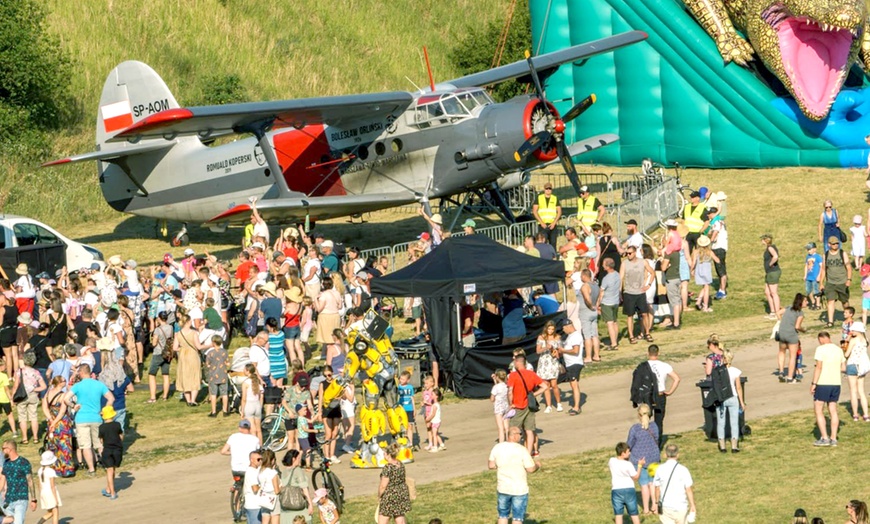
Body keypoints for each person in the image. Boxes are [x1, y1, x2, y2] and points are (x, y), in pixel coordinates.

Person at [64, 364, 113, 476]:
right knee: (99, 444)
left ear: (81, 372)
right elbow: (111, 398)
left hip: (81, 418)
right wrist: (105, 410)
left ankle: (91, 469)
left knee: (85, 445)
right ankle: (107, 465)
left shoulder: (77, 386)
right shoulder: (99, 384)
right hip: (96, 417)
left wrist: (73, 406)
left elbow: (66, 399)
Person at [488, 426, 540, 524]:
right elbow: (530, 469)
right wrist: (537, 465)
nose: (521, 436)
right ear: (515, 436)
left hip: (503, 488)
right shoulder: (522, 450)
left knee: (502, 516)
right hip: (519, 490)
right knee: (517, 518)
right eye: (520, 434)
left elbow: (491, 465)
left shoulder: (498, 447)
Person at [506, 352, 548, 456]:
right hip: (529, 406)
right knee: (529, 430)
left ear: (517, 363)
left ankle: (512, 453)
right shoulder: (532, 374)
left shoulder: (513, 375)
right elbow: (545, 387)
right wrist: (533, 395)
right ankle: (529, 453)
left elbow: (510, 391)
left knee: (513, 429)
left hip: (517, 406)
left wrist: (510, 403)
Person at [812, 332, 846, 446]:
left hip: (823, 383)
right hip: (836, 383)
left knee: (818, 409)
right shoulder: (838, 350)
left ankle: (825, 438)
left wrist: (814, 383)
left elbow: (819, 367)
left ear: (821, 339)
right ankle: (833, 438)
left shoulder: (820, 349)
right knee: (833, 410)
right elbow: (843, 368)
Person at [626, 405, 659, 516]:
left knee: (644, 485)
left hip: (639, 460)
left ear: (638, 415)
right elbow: (657, 439)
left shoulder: (635, 429)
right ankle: (655, 505)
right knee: (653, 483)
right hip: (654, 458)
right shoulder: (654, 426)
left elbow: (629, 444)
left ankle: (646, 509)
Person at [646, 345, 680, 448]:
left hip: (648, 395)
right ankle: (658, 444)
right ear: (658, 353)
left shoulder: (644, 366)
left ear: (647, 353)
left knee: (645, 419)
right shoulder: (664, 365)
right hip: (660, 395)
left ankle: (647, 441)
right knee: (659, 421)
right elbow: (677, 379)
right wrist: (670, 391)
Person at [652, 444, 696, 524]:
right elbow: (688, 489)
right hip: (681, 506)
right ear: (677, 455)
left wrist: (656, 503)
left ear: (665, 455)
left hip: (666, 506)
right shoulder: (683, 470)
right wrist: (692, 505)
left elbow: (657, 488)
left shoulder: (660, 469)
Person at [40, 377, 74, 478]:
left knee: (53, 445)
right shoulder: (63, 395)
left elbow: (44, 407)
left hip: (51, 422)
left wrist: (50, 419)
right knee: (64, 445)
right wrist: (55, 422)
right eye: (64, 381)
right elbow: (62, 411)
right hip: (62, 423)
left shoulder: (48, 393)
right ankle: (66, 469)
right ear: (59, 383)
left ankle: (55, 467)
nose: (65, 382)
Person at [620, 245, 655, 343]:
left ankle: (647, 333)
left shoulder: (643, 262)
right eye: (627, 253)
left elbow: (652, 273)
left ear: (635, 253)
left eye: (630, 253)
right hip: (629, 292)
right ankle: (631, 336)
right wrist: (619, 292)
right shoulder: (624, 263)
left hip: (640, 292)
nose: (628, 255)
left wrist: (648, 284)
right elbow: (620, 278)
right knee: (630, 315)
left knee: (644, 313)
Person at [174, 313, 208, 406]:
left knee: (185, 376)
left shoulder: (178, 334)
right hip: (192, 355)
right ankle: (193, 400)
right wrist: (210, 345)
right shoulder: (194, 333)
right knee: (195, 376)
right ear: (188, 322)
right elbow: (199, 346)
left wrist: (182, 349)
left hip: (183, 356)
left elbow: (174, 347)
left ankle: (188, 400)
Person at [11, 352, 46, 444]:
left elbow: (15, 385)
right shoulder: (36, 372)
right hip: (33, 395)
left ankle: (25, 438)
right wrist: (35, 388)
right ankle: (35, 438)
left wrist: (12, 398)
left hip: (22, 395)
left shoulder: (19, 371)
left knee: (22, 417)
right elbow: (44, 386)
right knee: (33, 416)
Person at [820, 235, 853, 328]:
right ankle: (830, 322)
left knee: (844, 301)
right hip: (830, 282)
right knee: (830, 301)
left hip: (842, 281)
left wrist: (849, 279)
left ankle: (849, 317)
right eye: (833, 244)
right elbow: (823, 269)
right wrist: (821, 283)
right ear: (829, 244)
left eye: (837, 243)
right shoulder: (825, 255)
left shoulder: (843, 253)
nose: (835, 245)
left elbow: (849, 267)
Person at [0, 440, 36, 524]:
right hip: (8, 501)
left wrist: (34, 500)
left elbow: (30, 481)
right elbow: (3, 479)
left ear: (9, 449)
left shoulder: (24, 462)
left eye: (3, 448)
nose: (2, 451)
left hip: (21, 500)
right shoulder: (6, 463)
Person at [717, 350, 745, 453]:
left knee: (721, 423)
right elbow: (738, 387)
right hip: (733, 397)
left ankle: (722, 446)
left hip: (721, 398)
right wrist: (741, 402)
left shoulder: (718, 371)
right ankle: (734, 446)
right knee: (734, 423)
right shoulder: (735, 371)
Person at [377, 442, 412, 524]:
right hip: (401, 493)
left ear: (388, 455)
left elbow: (383, 486)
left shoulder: (388, 468)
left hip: (390, 495)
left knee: (383, 518)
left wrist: (379, 495)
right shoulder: (400, 464)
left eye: (384, 454)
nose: (384, 455)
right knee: (399, 516)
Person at [610, 441, 644, 524]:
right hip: (629, 489)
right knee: (634, 513)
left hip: (616, 490)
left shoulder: (612, 461)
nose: (629, 453)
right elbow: (635, 477)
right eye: (628, 452)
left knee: (618, 514)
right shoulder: (628, 464)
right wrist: (640, 466)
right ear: (623, 453)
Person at [778, 294, 808, 383]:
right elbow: (797, 326)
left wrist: (781, 321)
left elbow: (778, 313)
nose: (807, 302)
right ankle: (790, 377)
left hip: (782, 333)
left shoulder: (788, 308)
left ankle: (781, 372)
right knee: (792, 356)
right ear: (801, 302)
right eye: (805, 301)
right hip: (791, 335)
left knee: (781, 352)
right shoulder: (800, 313)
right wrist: (804, 330)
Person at [844, 322, 870, 422]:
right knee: (861, 391)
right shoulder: (865, 340)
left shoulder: (853, 340)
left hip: (852, 364)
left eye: (853, 330)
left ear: (857, 330)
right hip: (862, 366)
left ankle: (855, 414)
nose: (851, 332)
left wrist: (847, 340)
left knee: (853, 391)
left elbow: (846, 354)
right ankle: (866, 414)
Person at [534, 320, 562, 413]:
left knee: (554, 385)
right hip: (544, 362)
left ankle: (558, 403)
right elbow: (538, 351)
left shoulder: (557, 337)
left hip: (553, 362)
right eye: (549, 329)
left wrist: (556, 352)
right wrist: (546, 347)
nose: (550, 331)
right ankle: (548, 405)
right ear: (546, 328)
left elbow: (560, 351)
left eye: (552, 329)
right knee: (546, 385)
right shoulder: (541, 337)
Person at [280, 449, 312, 523]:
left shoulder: (284, 472)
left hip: (286, 510)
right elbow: (304, 489)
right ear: (294, 459)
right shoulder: (298, 470)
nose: (300, 460)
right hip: (299, 508)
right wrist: (310, 504)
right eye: (298, 458)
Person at [559, 318, 584, 415]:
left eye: (564, 328)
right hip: (570, 364)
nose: (563, 330)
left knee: (574, 385)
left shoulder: (575, 336)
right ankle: (576, 406)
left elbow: (575, 351)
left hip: (574, 363)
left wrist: (563, 350)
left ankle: (576, 407)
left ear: (568, 326)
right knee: (573, 385)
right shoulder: (571, 336)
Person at [98, 405, 123, 499]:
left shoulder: (101, 427)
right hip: (117, 450)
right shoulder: (117, 425)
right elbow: (121, 436)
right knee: (113, 469)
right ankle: (108, 489)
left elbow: (101, 440)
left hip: (107, 450)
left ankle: (111, 492)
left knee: (109, 470)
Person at [597, 258, 622, 351]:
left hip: (607, 302)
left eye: (603, 264)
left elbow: (602, 292)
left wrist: (598, 303)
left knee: (610, 323)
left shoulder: (606, 278)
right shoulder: (617, 274)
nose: (602, 265)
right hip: (615, 301)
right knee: (615, 322)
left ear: (607, 266)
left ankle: (614, 344)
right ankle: (615, 339)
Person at [577, 269, 601, 362]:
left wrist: (590, 306)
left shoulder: (585, 286)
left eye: (581, 276)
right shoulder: (596, 285)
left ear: (584, 276)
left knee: (587, 336)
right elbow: (599, 298)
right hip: (594, 312)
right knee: (594, 334)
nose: (580, 278)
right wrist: (596, 307)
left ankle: (588, 356)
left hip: (586, 312)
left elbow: (587, 298)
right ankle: (596, 355)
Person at [205, 334, 230, 417]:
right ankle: (225, 411)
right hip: (223, 375)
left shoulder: (210, 353)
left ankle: (214, 412)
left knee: (213, 394)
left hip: (213, 375)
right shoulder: (224, 352)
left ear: (213, 343)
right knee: (224, 393)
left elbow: (207, 364)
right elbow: (228, 363)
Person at [255, 449, 282, 524]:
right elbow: (276, 490)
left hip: (264, 496)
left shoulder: (260, 471)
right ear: (272, 460)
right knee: (275, 516)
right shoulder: (273, 473)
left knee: (265, 517)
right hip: (273, 497)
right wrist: (282, 487)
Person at [532, 181, 561, 247]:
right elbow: (534, 211)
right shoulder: (539, 198)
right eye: (547, 189)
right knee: (542, 243)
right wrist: (541, 222)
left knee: (553, 243)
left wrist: (554, 223)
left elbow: (559, 211)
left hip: (552, 225)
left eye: (549, 189)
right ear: (544, 189)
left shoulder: (555, 198)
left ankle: (553, 256)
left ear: (551, 190)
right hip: (542, 225)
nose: (548, 190)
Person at [239, 367, 264, 443]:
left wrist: (242, 410)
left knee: (253, 430)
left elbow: (244, 398)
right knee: (259, 429)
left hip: (249, 405)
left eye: (244, 369)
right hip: (257, 405)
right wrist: (260, 406)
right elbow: (261, 396)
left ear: (248, 371)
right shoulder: (257, 381)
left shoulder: (246, 383)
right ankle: (260, 447)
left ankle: (254, 447)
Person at [761, 233, 782, 320]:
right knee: (767, 292)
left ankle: (777, 312)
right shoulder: (769, 247)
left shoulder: (770, 247)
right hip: (769, 273)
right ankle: (772, 311)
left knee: (773, 293)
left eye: (762, 239)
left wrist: (770, 264)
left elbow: (775, 256)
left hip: (773, 272)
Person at [37, 451, 61, 524]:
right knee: (55, 511)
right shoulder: (51, 471)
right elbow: (52, 486)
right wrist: (56, 499)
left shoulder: (40, 470)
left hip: (43, 492)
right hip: (50, 493)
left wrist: (40, 494)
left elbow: (39, 484)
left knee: (50, 512)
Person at [397, 371, 418, 449]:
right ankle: (402, 441)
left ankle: (410, 443)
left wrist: (414, 409)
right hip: (401, 409)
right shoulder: (398, 387)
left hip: (409, 409)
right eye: (400, 379)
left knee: (410, 426)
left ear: (408, 380)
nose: (401, 380)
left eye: (403, 379)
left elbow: (412, 398)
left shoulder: (410, 387)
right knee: (402, 426)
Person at [243, 449, 263, 524]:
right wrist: (263, 486)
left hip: (249, 504)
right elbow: (255, 489)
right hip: (255, 505)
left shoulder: (250, 470)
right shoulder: (252, 472)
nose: (260, 461)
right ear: (252, 460)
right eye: (258, 459)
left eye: (261, 459)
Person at [490, 369, 510, 442]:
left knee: (500, 428)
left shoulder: (496, 387)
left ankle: (501, 443)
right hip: (505, 406)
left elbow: (492, 399)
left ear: (497, 377)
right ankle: (508, 440)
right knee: (506, 426)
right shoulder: (506, 386)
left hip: (498, 408)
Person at [425, 388, 445, 453]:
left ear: (436, 396)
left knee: (434, 434)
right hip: (437, 421)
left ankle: (435, 447)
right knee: (436, 434)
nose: (431, 395)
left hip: (435, 422)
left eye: (432, 394)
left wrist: (428, 419)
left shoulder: (435, 405)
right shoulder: (436, 404)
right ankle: (442, 444)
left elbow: (433, 414)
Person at [805, 243, 824, 311]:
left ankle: (818, 304)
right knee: (808, 290)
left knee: (816, 291)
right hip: (809, 276)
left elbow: (822, 267)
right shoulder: (807, 257)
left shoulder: (818, 257)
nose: (808, 251)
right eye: (808, 249)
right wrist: (805, 275)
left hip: (815, 277)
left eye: (810, 249)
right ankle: (813, 302)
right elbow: (806, 266)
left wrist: (819, 276)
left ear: (814, 249)